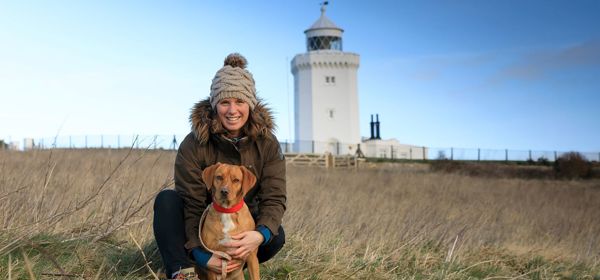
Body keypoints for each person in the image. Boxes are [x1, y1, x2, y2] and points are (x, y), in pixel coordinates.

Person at [153, 53, 287, 280]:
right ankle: (182, 271)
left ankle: (232, 268)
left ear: (250, 105)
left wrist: (259, 235)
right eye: (225, 102)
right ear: (215, 105)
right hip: (202, 229)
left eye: (240, 102)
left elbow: (275, 198)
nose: (232, 110)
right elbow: (192, 204)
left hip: (243, 221)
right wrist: (202, 255)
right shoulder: (194, 143)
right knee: (167, 201)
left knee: (276, 236)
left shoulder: (267, 143)